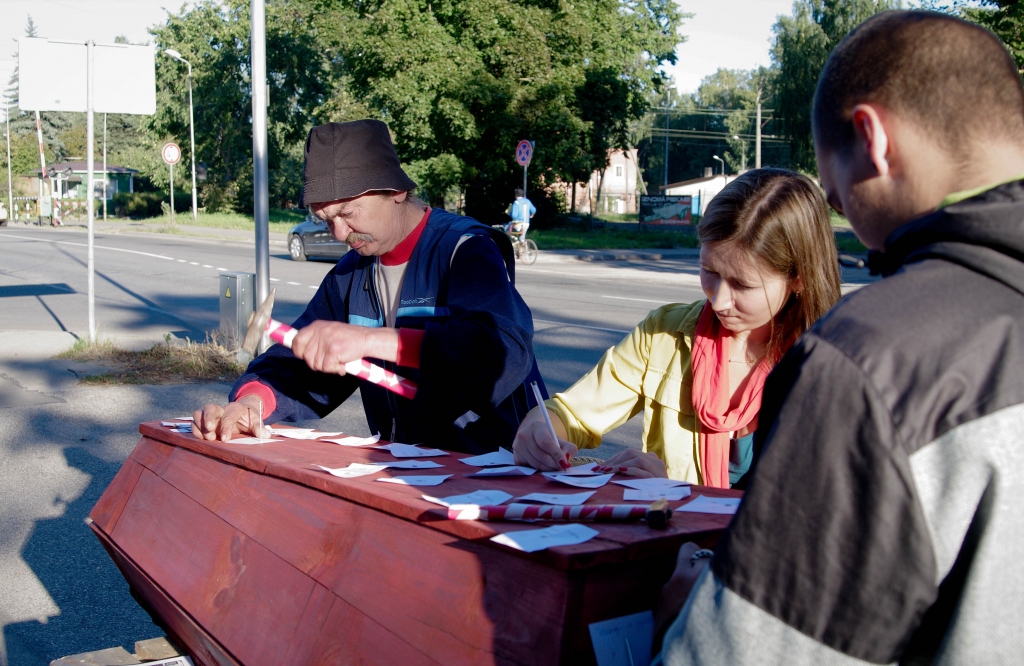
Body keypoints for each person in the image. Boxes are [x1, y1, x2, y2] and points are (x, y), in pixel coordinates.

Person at [655, 11, 1024, 664]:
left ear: (871, 138)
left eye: (835, 188)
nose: (844, 210)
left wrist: (679, 618)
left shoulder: (870, 358)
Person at [194, 119, 546, 453]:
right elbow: (300, 367)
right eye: (326, 220)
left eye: (348, 213)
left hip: (499, 470)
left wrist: (371, 342)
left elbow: (500, 353)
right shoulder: (350, 275)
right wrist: (252, 402)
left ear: (396, 191)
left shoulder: (464, 250)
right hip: (408, 472)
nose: (340, 234)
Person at [512, 168, 841, 485]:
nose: (719, 300)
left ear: (798, 278)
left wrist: (678, 495)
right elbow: (575, 413)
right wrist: (542, 427)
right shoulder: (664, 333)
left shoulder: (837, 363)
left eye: (743, 285)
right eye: (709, 270)